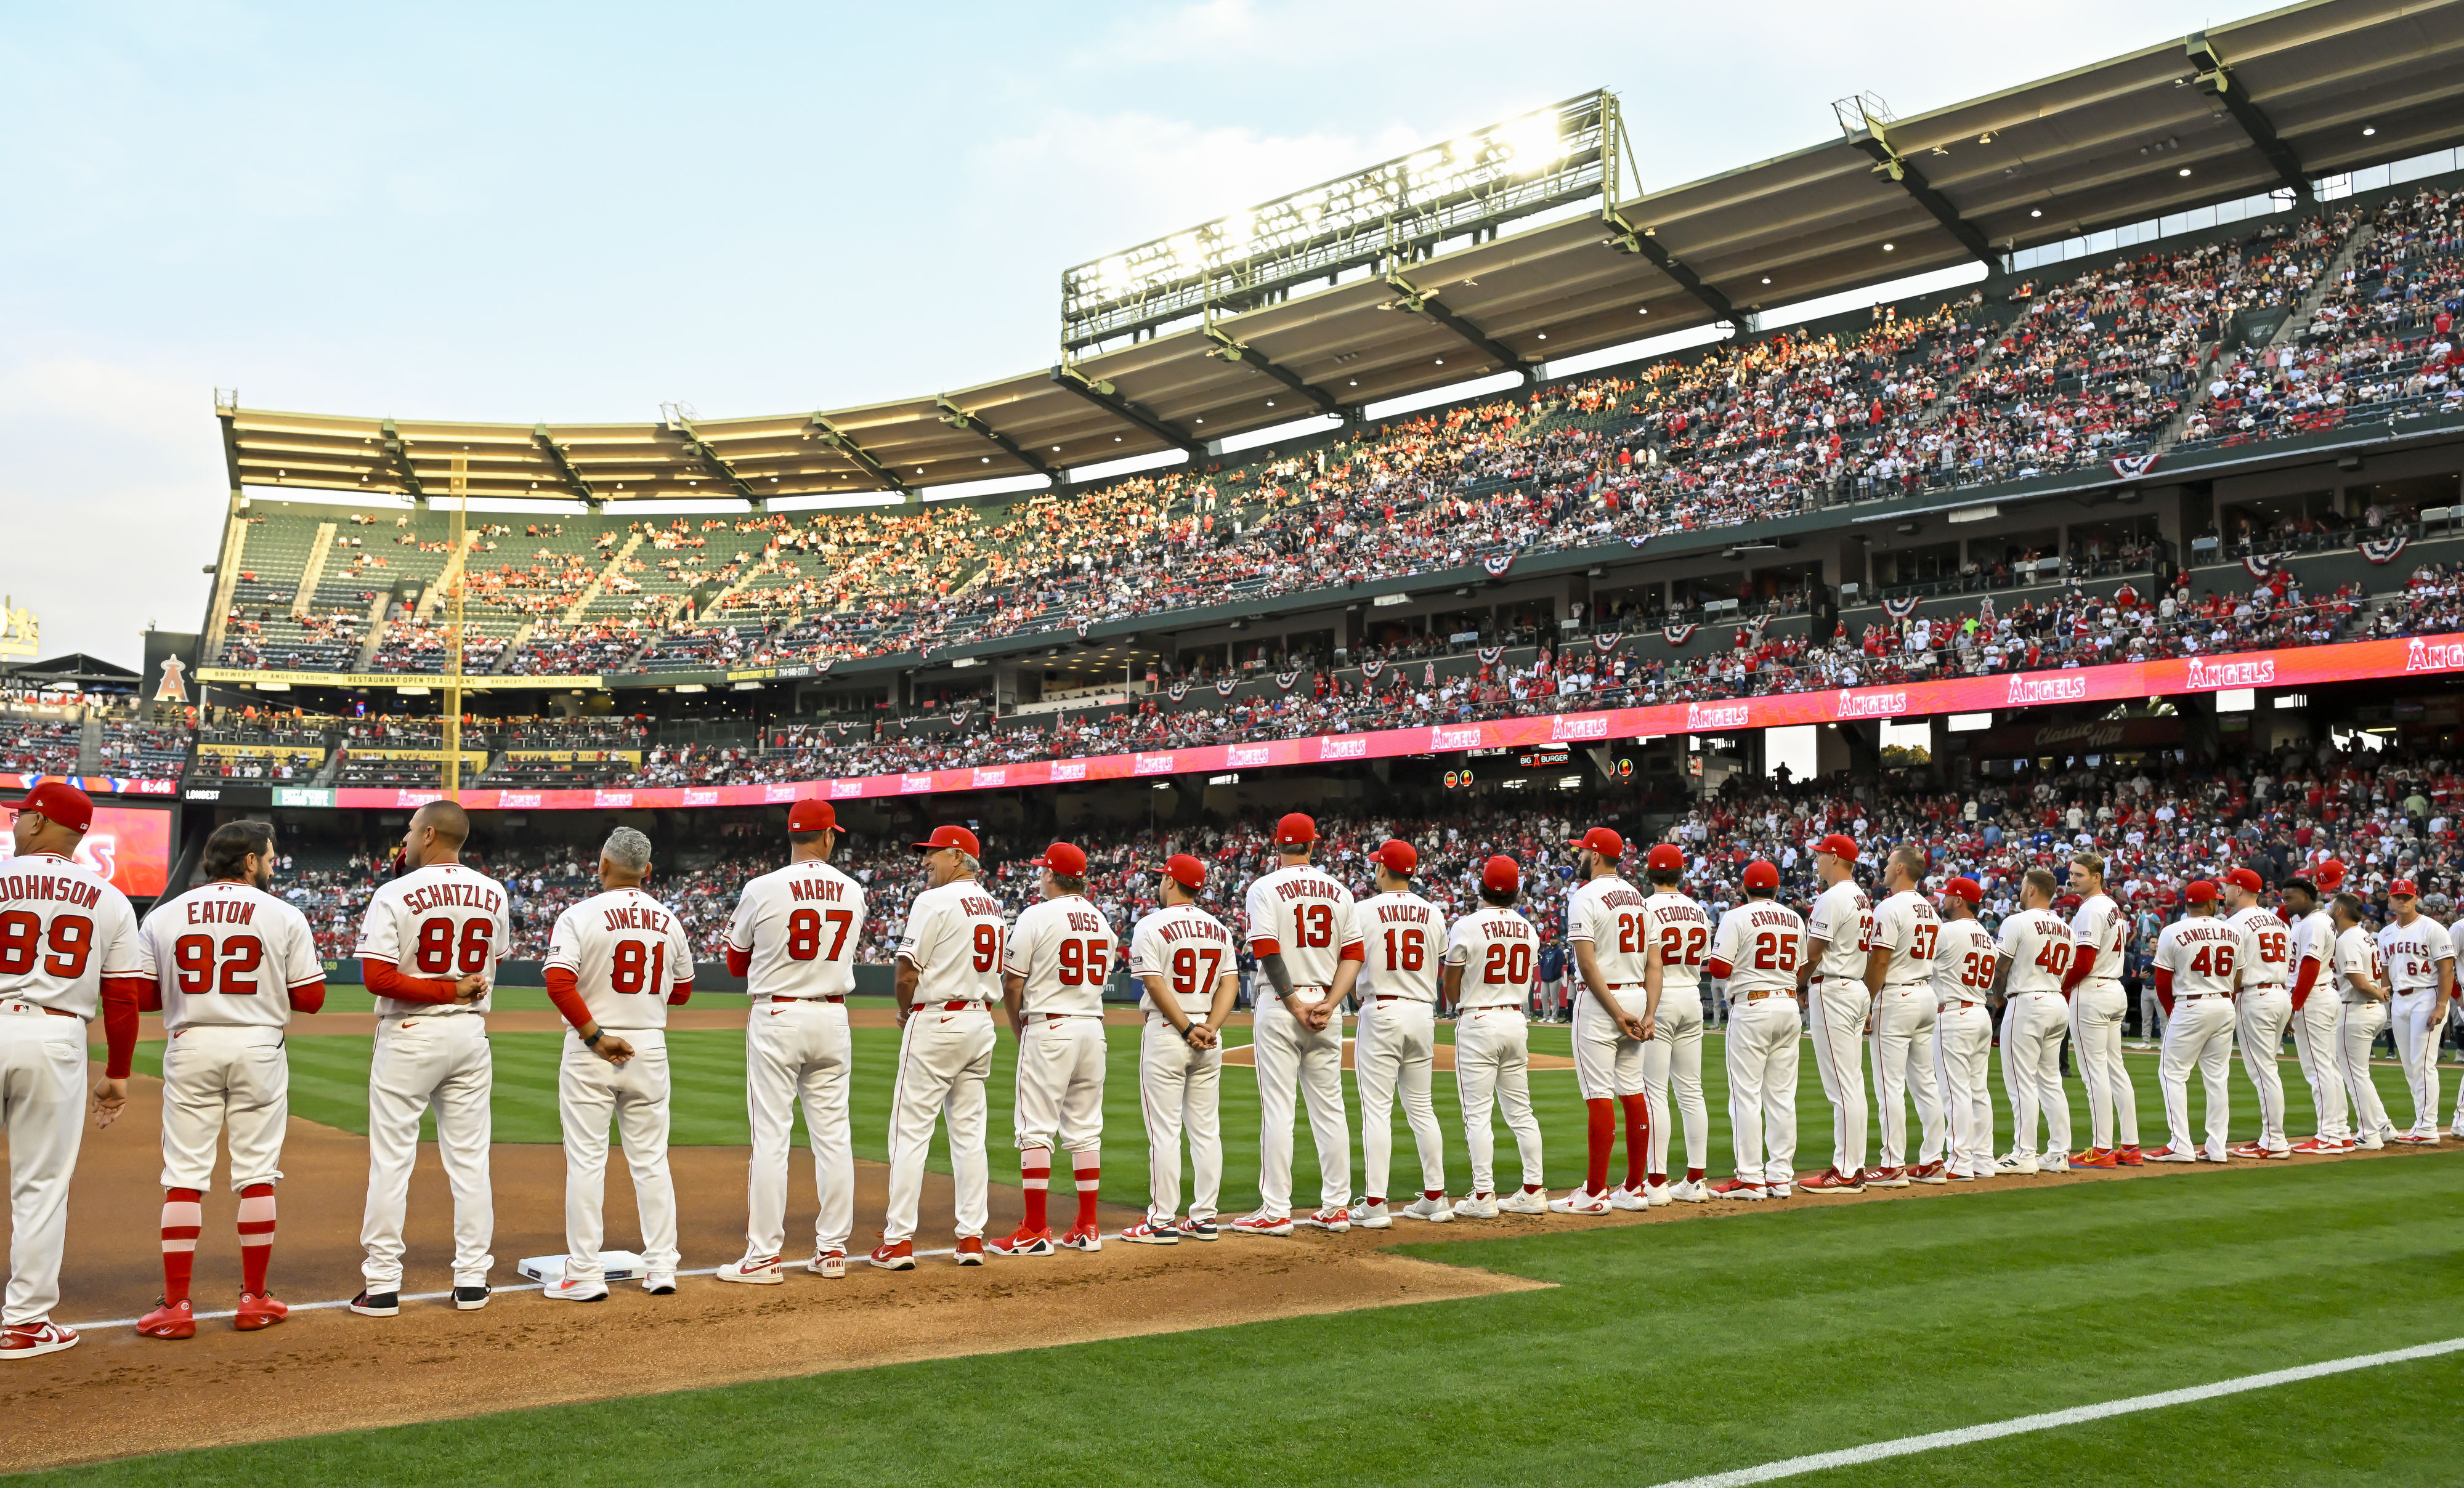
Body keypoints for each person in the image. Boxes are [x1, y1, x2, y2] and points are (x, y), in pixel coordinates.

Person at [131, 821, 324, 1340]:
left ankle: (175, 1306)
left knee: (185, 1174)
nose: (273, 863)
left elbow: (144, 998)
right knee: (257, 1172)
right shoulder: (284, 914)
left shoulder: (166, 913)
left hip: (190, 1043)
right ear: (248, 862)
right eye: (269, 856)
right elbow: (311, 999)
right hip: (258, 1044)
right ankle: (254, 1299)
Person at [2, 782, 146, 1360]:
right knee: (41, 1184)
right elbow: (123, 999)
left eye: (21, 814)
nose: (14, 822)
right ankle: (25, 1321)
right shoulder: (110, 899)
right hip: (55, 1036)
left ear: (39, 824)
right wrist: (117, 1072)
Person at [350, 799, 509, 1318]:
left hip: (410, 1032)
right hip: (469, 1035)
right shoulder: (493, 891)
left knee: (392, 1161)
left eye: (412, 829)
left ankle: (382, 1285)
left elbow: (376, 978)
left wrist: (444, 990)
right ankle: (471, 1280)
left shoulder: (394, 892)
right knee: (470, 1163)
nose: (407, 836)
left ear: (430, 835)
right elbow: (491, 964)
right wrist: (458, 989)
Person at [540, 827, 696, 1298]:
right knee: (651, 1161)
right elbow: (684, 992)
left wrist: (596, 1035)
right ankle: (662, 1268)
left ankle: (585, 1275)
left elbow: (559, 984)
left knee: (586, 1162)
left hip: (593, 1046)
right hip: (649, 1046)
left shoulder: (578, 914)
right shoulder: (669, 919)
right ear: (648, 872)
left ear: (602, 865)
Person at [714, 799, 862, 1285]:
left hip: (778, 1013)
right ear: (827, 838)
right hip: (833, 1015)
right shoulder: (853, 890)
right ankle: (834, 1250)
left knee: (772, 1138)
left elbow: (737, 964)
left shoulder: (763, 887)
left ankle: (763, 1257)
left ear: (792, 836)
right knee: (834, 1138)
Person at [873, 825, 1005, 1268]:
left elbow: (907, 973)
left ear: (958, 856)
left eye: (933, 853)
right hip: (979, 1021)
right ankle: (971, 1238)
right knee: (970, 1136)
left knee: (910, 1132)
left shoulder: (933, 900)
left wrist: (904, 1010)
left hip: (937, 1019)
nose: (925, 860)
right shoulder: (993, 904)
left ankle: (899, 1240)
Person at [1231, 814, 1360, 1237]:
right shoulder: (1339, 891)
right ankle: (1337, 1208)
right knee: (1330, 1110)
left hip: (1281, 1003)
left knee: (1279, 1110)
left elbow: (1267, 949)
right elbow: (1353, 956)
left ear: (1277, 844)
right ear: (1313, 845)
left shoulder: (1263, 887)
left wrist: (1293, 1004)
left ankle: (1276, 1210)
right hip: (1327, 1001)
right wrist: (1329, 1003)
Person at [992, 842, 1117, 1256]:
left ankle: (1035, 1229)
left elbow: (1012, 983)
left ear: (1050, 874)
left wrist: (1016, 1025)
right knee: (1085, 1131)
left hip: (1050, 1025)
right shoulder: (1102, 921)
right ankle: (1088, 1225)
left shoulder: (1036, 915)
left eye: (1041, 871)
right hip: (1091, 1029)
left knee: (1035, 1129)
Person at [1122, 854, 1238, 1243]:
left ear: (1171, 882)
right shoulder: (1219, 928)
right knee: (1207, 1131)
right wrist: (1210, 1027)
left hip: (1169, 1031)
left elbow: (1154, 985)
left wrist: (1187, 1027)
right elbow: (1231, 986)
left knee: (1165, 1131)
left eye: (1162, 878)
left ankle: (1161, 1221)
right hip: (1208, 1032)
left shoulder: (1151, 924)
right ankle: (1205, 1218)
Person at [1440, 855, 1547, 1217]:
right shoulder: (1528, 928)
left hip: (1479, 1020)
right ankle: (1534, 1189)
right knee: (1521, 1112)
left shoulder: (1467, 925)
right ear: (1517, 892)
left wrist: (1463, 1000)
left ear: (1481, 887)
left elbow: (1451, 986)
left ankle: (1484, 1195)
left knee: (1478, 1115)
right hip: (1516, 1019)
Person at [1349, 839, 1449, 1228]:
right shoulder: (1433, 912)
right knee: (1422, 1107)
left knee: (1377, 1110)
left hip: (1382, 1008)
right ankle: (1436, 1197)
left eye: (1377, 865)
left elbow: (1352, 959)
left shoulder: (1363, 910)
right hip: (1422, 1011)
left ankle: (1375, 1204)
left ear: (1383, 869)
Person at [1557, 826, 1653, 1215]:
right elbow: (1655, 963)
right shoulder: (1640, 899)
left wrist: (1616, 1013)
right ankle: (1635, 1187)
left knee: (1599, 1093)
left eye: (1582, 851)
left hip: (1602, 1000)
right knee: (1632, 1090)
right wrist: (1647, 1013)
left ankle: (1595, 1191)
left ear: (1595, 856)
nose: (1579, 856)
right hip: (1636, 991)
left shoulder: (1585, 895)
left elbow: (1586, 962)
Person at [1704, 860, 1802, 1200]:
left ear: (1744, 889)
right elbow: (1801, 966)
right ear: (1776, 889)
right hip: (1789, 1005)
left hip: (1753, 1005)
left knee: (1745, 1095)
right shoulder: (1795, 917)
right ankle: (1779, 1177)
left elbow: (1718, 966)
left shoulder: (1736, 916)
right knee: (1782, 1097)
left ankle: (1749, 1177)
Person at [2148, 879, 2250, 1163]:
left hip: (2190, 1003)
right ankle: (2217, 1147)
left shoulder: (2172, 931)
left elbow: (2162, 980)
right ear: (2210, 904)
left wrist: (2172, 1012)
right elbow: (2239, 977)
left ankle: (2180, 1144)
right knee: (2217, 1079)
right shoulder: (2232, 931)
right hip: (2223, 1002)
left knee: (2172, 1074)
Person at [1862, 844, 1945, 1187]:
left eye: (1888, 862)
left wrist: (1865, 1002)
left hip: (1896, 995)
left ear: (1900, 869)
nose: (1884, 866)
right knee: (1926, 1082)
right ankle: (1933, 1160)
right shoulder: (1930, 909)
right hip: (1925, 993)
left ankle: (1892, 1163)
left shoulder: (1890, 907)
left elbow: (1880, 962)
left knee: (1889, 1085)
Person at [1637, 843, 1712, 1205]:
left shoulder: (1645, 907)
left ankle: (1657, 1181)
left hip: (1660, 998)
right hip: (1691, 997)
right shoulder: (1699, 910)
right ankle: (1696, 1179)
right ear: (1680, 873)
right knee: (1691, 1091)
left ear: (1649, 874)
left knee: (1654, 1092)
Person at [1799, 833, 1874, 1194]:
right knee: (1852, 1084)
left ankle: (1845, 1171)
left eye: (1819, 856)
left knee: (1842, 1087)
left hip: (1835, 987)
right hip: (1854, 986)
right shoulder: (1861, 896)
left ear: (1833, 857)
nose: (1816, 861)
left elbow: (1813, 954)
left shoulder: (1833, 897)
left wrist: (1798, 984)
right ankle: (1853, 1165)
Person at [1993, 868, 2075, 1175]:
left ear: (2031, 890)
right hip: (2056, 1000)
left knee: (2021, 1080)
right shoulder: (2065, 928)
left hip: (2027, 1000)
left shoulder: (2017, 921)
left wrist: (1999, 1000)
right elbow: (2065, 970)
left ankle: (2024, 1153)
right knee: (2051, 1080)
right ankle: (2058, 1153)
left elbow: (2001, 968)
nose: (2020, 889)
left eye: (2023, 885)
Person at [2062, 851, 2140, 1168]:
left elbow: (2083, 961)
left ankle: (2102, 1149)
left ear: (2097, 877)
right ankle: (2131, 1147)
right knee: (2115, 1070)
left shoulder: (2091, 909)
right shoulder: (2112, 907)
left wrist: (2063, 987)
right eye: (2072, 873)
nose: (2072, 878)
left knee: (2095, 1073)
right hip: (2113, 988)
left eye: (2079, 874)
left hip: (2092, 990)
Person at [2222, 867, 2295, 1160]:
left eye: (2228, 886)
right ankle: (2271, 1136)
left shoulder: (2236, 923)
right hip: (2279, 993)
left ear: (2239, 889)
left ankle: (2274, 1140)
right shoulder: (2278, 922)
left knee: (2264, 1070)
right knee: (2268, 1067)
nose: (2225, 890)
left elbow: (2236, 971)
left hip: (2255, 995)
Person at [2378, 878, 2457, 1144]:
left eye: (2407, 897)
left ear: (2416, 899)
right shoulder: (2386, 933)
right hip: (2400, 1000)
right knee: (2411, 1065)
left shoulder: (2433, 929)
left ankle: (2427, 1127)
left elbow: (2447, 969)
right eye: (2397, 897)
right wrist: (2386, 987)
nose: (2402, 901)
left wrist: (2442, 1005)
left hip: (2426, 995)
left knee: (2423, 1063)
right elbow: (2386, 967)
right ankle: (2421, 1122)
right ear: (2389, 901)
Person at [1932, 877, 1998, 1181]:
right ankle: (1983, 1158)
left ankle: (1959, 1161)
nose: (1942, 901)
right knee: (1978, 1091)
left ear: (1959, 900)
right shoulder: (1987, 936)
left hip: (1955, 1014)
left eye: (1947, 896)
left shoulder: (1948, 931)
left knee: (1955, 1091)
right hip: (1980, 1012)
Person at [2280, 873, 2351, 1154]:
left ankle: (2328, 1135)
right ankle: (2340, 1131)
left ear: (2307, 897)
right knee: (2328, 1067)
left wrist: (2294, 1006)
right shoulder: (2314, 921)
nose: (2284, 903)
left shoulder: (2315, 923)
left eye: (2290, 898)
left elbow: (2308, 967)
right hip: (2322, 995)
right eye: (2283, 898)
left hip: (2312, 998)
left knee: (2318, 1070)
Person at [2330, 892, 2395, 1150]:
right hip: (2369, 1009)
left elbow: (2357, 981)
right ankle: (2382, 1125)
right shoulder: (2365, 936)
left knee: (2354, 1076)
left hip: (2355, 1010)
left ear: (2341, 912)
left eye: (2333, 906)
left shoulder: (2348, 939)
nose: (2330, 909)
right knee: (2360, 1074)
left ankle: (2369, 1134)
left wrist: (2377, 992)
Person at [1537, 940, 1567, 1024]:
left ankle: (1554, 1017)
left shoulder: (1559, 951)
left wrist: (1554, 975)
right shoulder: (1546, 951)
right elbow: (1542, 964)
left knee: (1554, 999)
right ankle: (1545, 1016)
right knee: (1544, 998)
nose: (1553, 940)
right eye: (1552, 939)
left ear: (1557, 940)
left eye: (1555, 939)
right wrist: (1543, 975)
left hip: (1555, 978)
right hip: (1545, 978)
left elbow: (1559, 965)